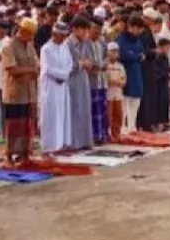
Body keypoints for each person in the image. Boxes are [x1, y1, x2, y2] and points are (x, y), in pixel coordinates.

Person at [1, 20, 40, 163]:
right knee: (13, 125)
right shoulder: (8, 47)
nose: (31, 38)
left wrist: (31, 71)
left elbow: (37, 64)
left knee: (26, 124)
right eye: (29, 35)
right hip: (14, 93)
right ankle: (9, 154)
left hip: (29, 92)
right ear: (22, 32)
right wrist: (30, 70)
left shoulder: (30, 46)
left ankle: (24, 153)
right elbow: (12, 69)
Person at [39, 21, 74, 153]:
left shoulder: (65, 47)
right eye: (61, 35)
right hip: (51, 87)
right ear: (54, 34)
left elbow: (70, 64)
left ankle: (61, 144)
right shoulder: (46, 48)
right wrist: (60, 76)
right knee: (51, 117)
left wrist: (64, 76)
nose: (63, 38)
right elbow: (47, 68)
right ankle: (49, 147)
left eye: (65, 36)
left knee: (63, 115)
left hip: (63, 86)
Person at [65, 18, 97, 150]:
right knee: (74, 110)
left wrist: (89, 64)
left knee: (84, 109)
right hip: (72, 81)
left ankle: (84, 141)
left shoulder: (86, 42)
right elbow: (66, 65)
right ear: (74, 29)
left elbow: (91, 60)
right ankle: (73, 142)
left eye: (87, 30)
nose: (86, 33)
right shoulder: (67, 44)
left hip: (83, 79)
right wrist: (81, 64)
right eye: (83, 29)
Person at [116, 17, 146, 133]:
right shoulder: (121, 39)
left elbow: (141, 51)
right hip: (125, 71)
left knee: (136, 99)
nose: (140, 32)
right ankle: (123, 126)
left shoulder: (137, 40)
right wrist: (136, 56)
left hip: (137, 71)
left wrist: (136, 55)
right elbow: (123, 54)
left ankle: (132, 125)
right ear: (132, 27)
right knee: (125, 99)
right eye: (138, 29)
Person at [104, 42, 127, 142]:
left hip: (118, 94)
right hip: (108, 94)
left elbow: (124, 81)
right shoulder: (105, 65)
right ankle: (109, 134)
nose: (114, 54)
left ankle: (117, 134)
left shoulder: (120, 66)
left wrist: (117, 82)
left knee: (119, 115)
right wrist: (116, 82)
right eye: (112, 51)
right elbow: (106, 80)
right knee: (109, 116)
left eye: (116, 52)